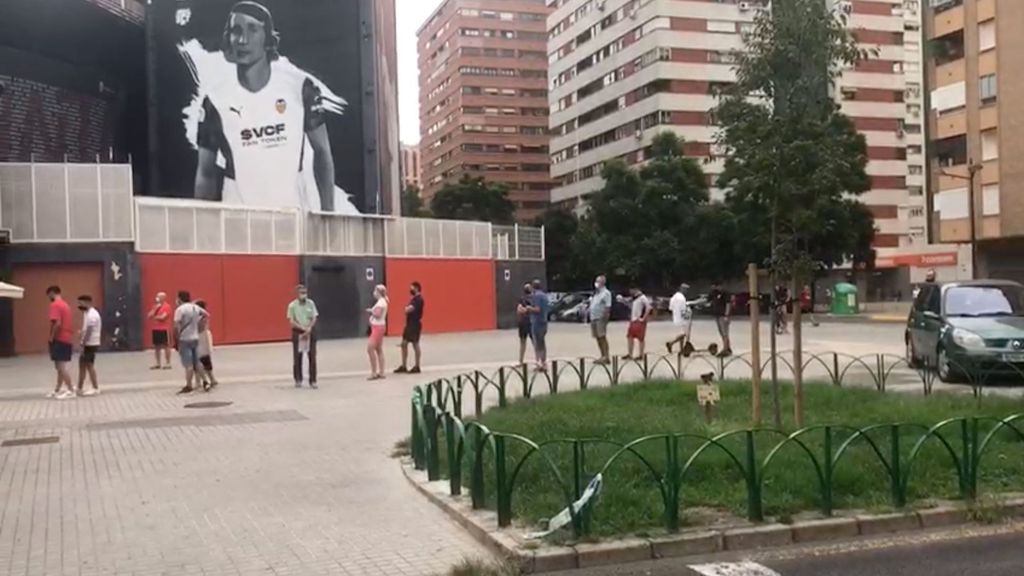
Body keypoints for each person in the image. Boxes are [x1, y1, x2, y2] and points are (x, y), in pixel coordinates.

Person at [190, 1, 352, 213]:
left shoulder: (300, 87)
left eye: (253, 29)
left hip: (292, 224)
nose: (243, 39)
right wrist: (202, 230)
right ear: (228, 38)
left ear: (267, 37)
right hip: (239, 226)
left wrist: (329, 213)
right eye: (236, 31)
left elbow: (322, 152)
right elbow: (205, 173)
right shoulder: (215, 99)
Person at [174, 290, 208, 395]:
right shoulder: (195, 307)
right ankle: (205, 382)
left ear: (179, 298)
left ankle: (189, 385)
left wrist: (176, 338)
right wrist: (199, 327)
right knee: (197, 362)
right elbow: (206, 314)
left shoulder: (180, 309)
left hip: (184, 339)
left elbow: (176, 325)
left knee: (188, 364)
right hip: (195, 337)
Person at [287, 285, 319, 389]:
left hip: (310, 331)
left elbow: (314, 317)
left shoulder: (311, 303)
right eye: (301, 293)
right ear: (297, 294)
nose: (303, 295)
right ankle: (298, 379)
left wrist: (309, 328)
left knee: (312, 357)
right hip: (298, 331)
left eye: (305, 292)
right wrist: (302, 328)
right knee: (297, 357)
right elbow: (291, 321)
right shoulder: (292, 306)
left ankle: (313, 380)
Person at [45, 286, 75, 400]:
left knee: (61, 366)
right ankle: (57, 389)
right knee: (59, 366)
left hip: (59, 338)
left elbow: (57, 323)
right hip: (67, 337)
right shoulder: (65, 305)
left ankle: (71, 389)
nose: (49, 298)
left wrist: (51, 337)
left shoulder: (55, 305)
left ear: (52, 293)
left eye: (48, 295)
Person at [395, 282, 425, 374]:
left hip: (415, 324)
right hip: (409, 324)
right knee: (404, 343)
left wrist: (407, 308)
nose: (410, 290)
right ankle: (404, 365)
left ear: (416, 288)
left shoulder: (419, 299)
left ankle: (417, 366)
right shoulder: (413, 299)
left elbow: (409, 309)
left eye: (411, 288)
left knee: (415, 344)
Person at [76, 295, 102, 397]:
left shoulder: (92, 315)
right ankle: (79, 387)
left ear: (87, 302)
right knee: (82, 364)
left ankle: (95, 387)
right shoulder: (87, 313)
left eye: (81, 303)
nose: (79, 305)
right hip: (88, 342)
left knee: (89, 365)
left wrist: (83, 343)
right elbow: (86, 329)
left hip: (91, 343)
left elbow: (90, 331)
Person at [525, 280, 550, 371]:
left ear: (533, 287)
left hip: (537, 322)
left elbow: (537, 309)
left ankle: (540, 363)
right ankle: (543, 362)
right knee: (542, 343)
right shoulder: (544, 295)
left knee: (538, 343)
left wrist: (529, 308)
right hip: (544, 322)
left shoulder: (537, 296)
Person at [367, 284, 389, 380]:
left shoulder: (381, 303)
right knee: (379, 349)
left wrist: (371, 311)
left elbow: (378, 314)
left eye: (376, 291)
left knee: (370, 348)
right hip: (379, 326)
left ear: (379, 292)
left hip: (378, 327)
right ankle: (381, 372)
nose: (374, 293)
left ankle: (374, 372)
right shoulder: (382, 301)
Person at [195, 300, 218, 392]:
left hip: (201, 338)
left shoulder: (202, 317)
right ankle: (209, 379)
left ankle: (204, 381)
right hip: (202, 338)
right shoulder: (202, 317)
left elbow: (200, 328)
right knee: (203, 359)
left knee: (202, 360)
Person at [589, 275, 612, 364]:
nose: (596, 283)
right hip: (594, 318)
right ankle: (602, 356)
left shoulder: (606, 293)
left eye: (598, 281)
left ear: (603, 282)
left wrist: (605, 318)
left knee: (602, 337)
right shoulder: (596, 293)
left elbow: (607, 307)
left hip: (600, 318)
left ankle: (606, 356)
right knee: (597, 337)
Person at [625, 286, 653, 360]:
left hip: (639, 320)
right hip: (633, 320)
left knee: (640, 338)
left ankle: (641, 354)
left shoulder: (642, 298)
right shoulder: (635, 298)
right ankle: (630, 354)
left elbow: (649, 307)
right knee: (629, 337)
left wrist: (643, 318)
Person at [148, 292, 173, 370]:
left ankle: (168, 362)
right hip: (155, 329)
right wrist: (155, 310)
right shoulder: (155, 306)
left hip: (164, 329)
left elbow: (163, 317)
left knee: (166, 346)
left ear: (163, 298)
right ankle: (157, 363)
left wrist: (154, 317)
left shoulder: (167, 307)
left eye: (158, 296)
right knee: (156, 346)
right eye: (157, 296)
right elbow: (149, 316)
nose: (157, 298)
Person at [666, 283, 693, 355]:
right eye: (686, 290)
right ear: (683, 289)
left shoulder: (674, 297)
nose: (687, 291)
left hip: (675, 317)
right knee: (684, 334)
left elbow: (670, 308)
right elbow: (683, 311)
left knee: (681, 333)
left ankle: (681, 349)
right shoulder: (682, 299)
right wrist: (688, 316)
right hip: (682, 319)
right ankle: (671, 343)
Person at [709, 281, 733, 358]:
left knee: (725, 332)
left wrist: (726, 315)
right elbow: (709, 300)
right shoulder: (714, 293)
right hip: (717, 315)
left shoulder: (725, 293)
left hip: (723, 315)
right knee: (721, 332)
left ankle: (725, 349)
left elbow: (728, 304)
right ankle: (727, 347)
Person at [515, 283, 534, 365]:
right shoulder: (534, 299)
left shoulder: (521, 299)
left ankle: (520, 361)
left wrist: (524, 310)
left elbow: (519, 310)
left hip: (522, 323)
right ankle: (539, 360)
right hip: (531, 323)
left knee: (522, 343)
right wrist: (528, 310)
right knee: (535, 343)